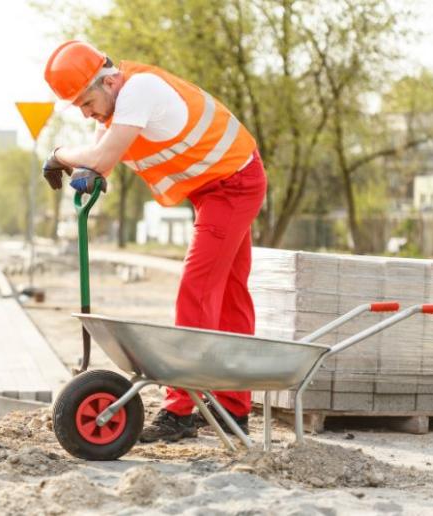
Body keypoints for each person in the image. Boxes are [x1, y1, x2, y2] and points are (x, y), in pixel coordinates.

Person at [42, 41, 267, 442]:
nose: (86, 112)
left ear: (109, 81)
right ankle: (234, 408)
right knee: (230, 293)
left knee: (197, 290)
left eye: (86, 102)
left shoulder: (139, 91)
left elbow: (101, 159)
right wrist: (87, 164)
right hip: (216, 186)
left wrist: (59, 155)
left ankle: (181, 409)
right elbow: (97, 153)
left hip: (234, 185)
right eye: (78, 107)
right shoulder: (114, 105)